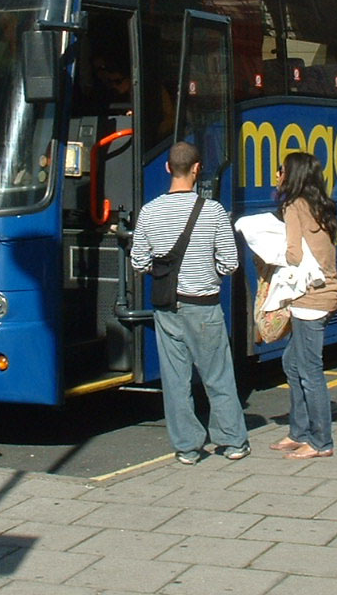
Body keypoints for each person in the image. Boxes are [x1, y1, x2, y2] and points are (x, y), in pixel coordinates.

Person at [130, 141, 250, 464]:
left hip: (167, 307)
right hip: (205, 305)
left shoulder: (149, 212)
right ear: (197, 170)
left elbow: (139, 263)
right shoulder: (212, 212)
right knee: (217, 376)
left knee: (175, 380)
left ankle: (187, 446)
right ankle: (232, 441)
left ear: (168, 168)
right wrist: (211, 274)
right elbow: (230, 263)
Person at [266, 152, 337, 460]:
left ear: (291, 175)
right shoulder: (321, 206)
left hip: (310, 299)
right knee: (293, 362)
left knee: (310, 369)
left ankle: (321, 441)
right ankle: (298, 431)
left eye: (281, 170)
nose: (278, 174)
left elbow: (295, 255)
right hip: (325, 293)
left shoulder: (294, 206)